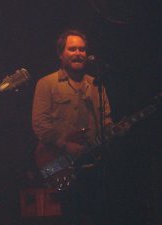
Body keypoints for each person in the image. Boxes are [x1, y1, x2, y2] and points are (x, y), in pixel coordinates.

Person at [32, 29, 113, 225]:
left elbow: (107, 122)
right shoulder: (47, 83)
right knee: (69, 216)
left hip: (93, 166)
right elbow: (39, 124)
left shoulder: (96, 85)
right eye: (72, 49)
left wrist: (114, 131)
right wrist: (64, 145)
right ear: (61, 54)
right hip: (60, 164)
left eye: (82, 49)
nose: (78, 53)